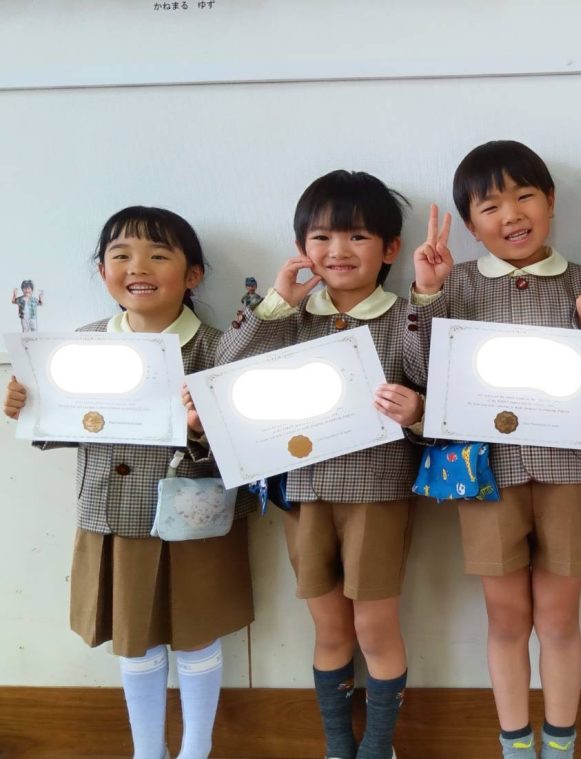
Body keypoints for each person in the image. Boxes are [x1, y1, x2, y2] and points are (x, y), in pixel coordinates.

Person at [406, 140, 581, 759]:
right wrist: (426, 294)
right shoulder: (452, 286)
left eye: (525, 196)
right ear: (471, 224)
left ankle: (560, 745)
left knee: (559, 619)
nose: (511, 214)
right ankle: (514, 744)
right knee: (506, 619)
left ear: (551, 201)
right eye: (490, 206)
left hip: (570, 473)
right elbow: (419, 373)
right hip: (486, 475)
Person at [4, 206, 254, 759]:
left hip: (195, 516)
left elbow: (248, 442)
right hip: (113, 514)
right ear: (103, 272)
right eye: (121, 256)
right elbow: (59, 424)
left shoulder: (216, 348)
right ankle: (147, 751)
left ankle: (196, 749)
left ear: (192, 275)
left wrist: (201, 429)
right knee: (132, 637)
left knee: (197, 632)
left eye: (158, 255)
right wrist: (26, 405)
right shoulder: (81, 345)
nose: (138, 267)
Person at [215, 170, 421, 759]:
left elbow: (437, 385)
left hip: (377, 493)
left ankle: (377, 747)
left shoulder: (404, 315)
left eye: (357, 236)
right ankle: (337, 746)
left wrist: (416, 409)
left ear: (389, 249)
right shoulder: (291, 317)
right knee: (329, 629)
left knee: (374, 628)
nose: (338, 251)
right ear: (302, 247)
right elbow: (223, 370)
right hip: (303, 495)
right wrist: (276, 302)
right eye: (322, 237)